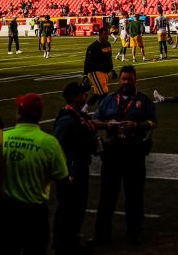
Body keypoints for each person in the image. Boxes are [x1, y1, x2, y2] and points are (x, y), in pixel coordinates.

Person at [92, 65, 157, 246]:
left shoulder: (143, 101)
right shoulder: (109, 99)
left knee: (134, 196)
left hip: (134, 152)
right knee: (107, 196)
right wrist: (107, 124)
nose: (126, 82)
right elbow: (95, 121)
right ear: (119, 80)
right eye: (124, 79)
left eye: (130, 79)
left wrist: (136, 126)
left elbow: (153, 122)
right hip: (112, 152)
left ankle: (134, 233)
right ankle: (102, 235)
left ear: (135, 79)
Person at [0, 93, 68, 255]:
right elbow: (62, 180)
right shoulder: (49, 143)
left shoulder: (2, 138)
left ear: (18, 113)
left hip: (7, 212)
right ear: (39, 114)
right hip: (34, 213)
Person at [52, 82, 99, 255]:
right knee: (69, 208)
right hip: (71, 170)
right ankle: (63, 244)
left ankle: (70, 241)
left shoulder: (76, 116)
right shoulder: (67, 119)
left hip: (78, 167)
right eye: (81, 94)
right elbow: (58, 144)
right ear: (74, 98)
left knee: (76, 208)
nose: (85, 96)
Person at [83, 27, 116, 109]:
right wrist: (85, 75)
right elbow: (87, 61)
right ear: (99, 35)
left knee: (98, 93)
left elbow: (109, 58)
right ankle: (102, 111)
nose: (107, 36)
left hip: (105, 72)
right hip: (95, 72)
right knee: (104, 93)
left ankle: (84, 108)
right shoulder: (93, 47)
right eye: (105, 34)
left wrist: (112, 69)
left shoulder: (108, 44)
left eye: (107, 34)